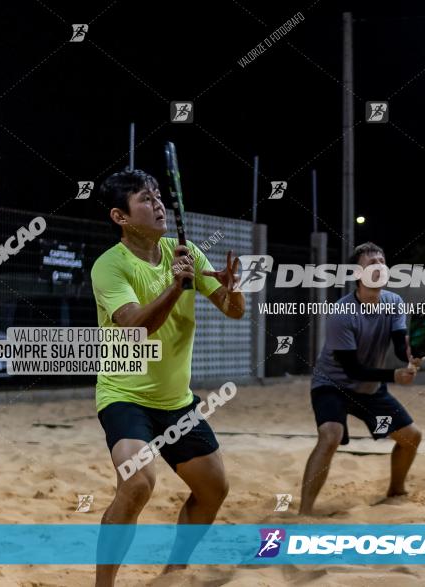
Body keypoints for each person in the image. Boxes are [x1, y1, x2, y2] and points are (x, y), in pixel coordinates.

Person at [91, 169, 245, 586]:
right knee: (138, 482)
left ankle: (174, 572)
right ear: (120, 217)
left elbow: (234, 310)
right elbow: (135, 327)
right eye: (145, 198)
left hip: (177, 400)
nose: (158, 204)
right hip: (125, 395)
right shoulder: (109, 267)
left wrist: (234, 288)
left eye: (159, 196)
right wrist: (177, 286)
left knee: (214, 488)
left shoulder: (188, 252)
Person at [299, 242, 423, 515]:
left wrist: (409, 357)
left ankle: (396, 491)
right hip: (332, 385)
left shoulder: (394, 302)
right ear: (358, 274)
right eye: (372, 263)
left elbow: (399, 344)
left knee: (411, 437)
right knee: (330, 435)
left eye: (382, 261)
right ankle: (304, 512)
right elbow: (351, 369)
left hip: (369, 389)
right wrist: (394, 375)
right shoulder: (342, 313)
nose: (379, 267)